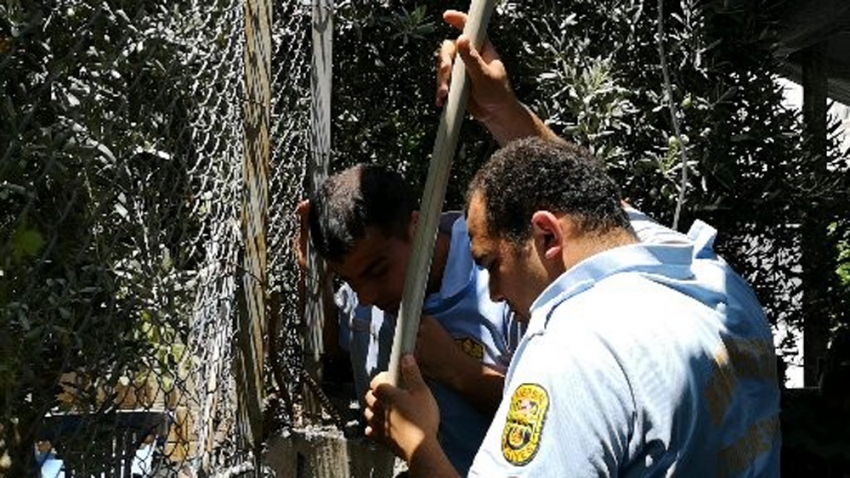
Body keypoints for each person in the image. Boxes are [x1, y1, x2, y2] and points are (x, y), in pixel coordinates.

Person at [360, 10, 781, 478]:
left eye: (491, 264)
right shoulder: (704, 274)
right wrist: (502, 108)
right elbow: (586, 189)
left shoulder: (577, 352)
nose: (495, 293)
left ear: (546, 235)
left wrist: (417, 444)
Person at [300, 165, 518, 475]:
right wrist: (313, 280)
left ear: (417, 227)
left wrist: (458, 371)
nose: (366, 296)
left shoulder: (498, 281)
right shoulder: (364, 299)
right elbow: (332, 349)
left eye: (377, 271)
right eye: (349, 280)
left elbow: (552, 415)